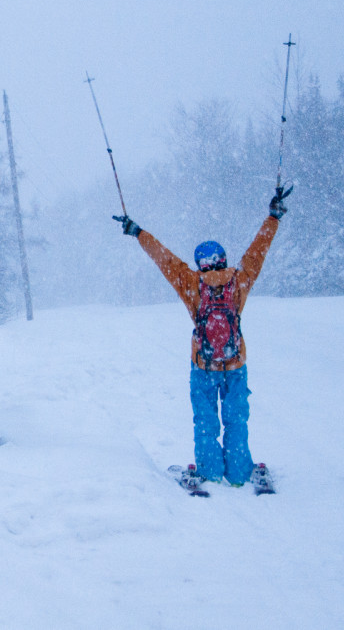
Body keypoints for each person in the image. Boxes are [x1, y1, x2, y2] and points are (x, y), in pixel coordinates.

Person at [112, 185, 292, 486]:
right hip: (235, 364)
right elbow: (257, 252)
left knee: (205, 421)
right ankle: (238, 472)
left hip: (203, 364)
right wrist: (273, 217)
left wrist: (138, 232)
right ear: (223, 259)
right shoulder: (240, 279)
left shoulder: (190, 282)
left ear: (200, 263)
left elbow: (164, 259)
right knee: (236, 419)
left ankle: (209, 471)